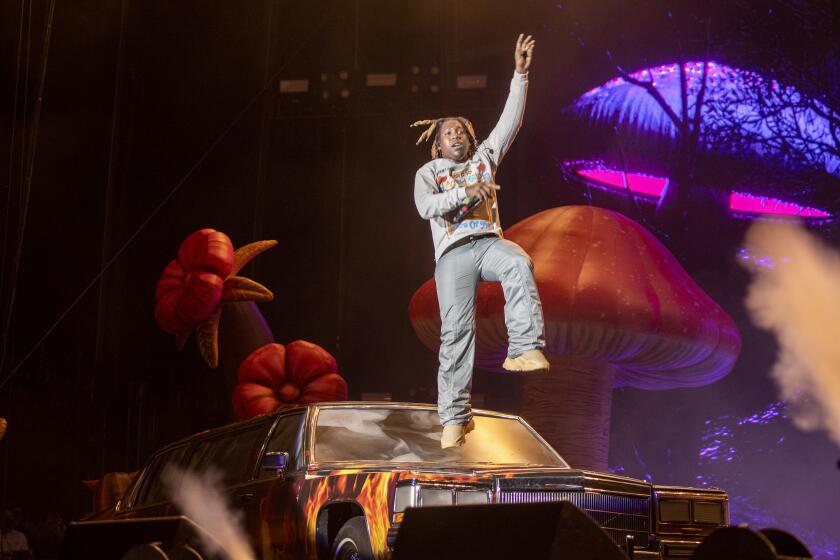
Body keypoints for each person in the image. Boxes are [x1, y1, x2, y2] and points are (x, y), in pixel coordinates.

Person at [412, 34, 548, 449]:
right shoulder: (429, 171)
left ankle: (525, 347)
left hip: (487, 242)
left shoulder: (483, 160)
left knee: (518, 262)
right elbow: (425, 208)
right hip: (453, 255)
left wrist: (520, 75)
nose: (456, 136)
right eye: (448, 133)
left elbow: (510, 122)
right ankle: (454, 416)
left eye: (461, 132)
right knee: (456, 330)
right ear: (437, 144)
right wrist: (467, 194)